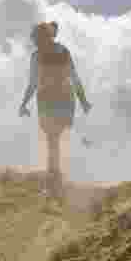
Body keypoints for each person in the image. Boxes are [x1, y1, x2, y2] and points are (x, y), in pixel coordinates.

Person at [18, 21, 91, 195]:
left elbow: (34, 82)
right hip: (58, 99)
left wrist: (83, 101)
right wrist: (83, 101)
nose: (36, 43)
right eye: (36, 40)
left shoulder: (43, 55)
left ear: (44, 37)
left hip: (54, 99)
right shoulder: (60, 51)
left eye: (37, 39)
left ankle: (54, 182)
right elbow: (73, 77)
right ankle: (56, 178)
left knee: (53, 139)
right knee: (55, 139)